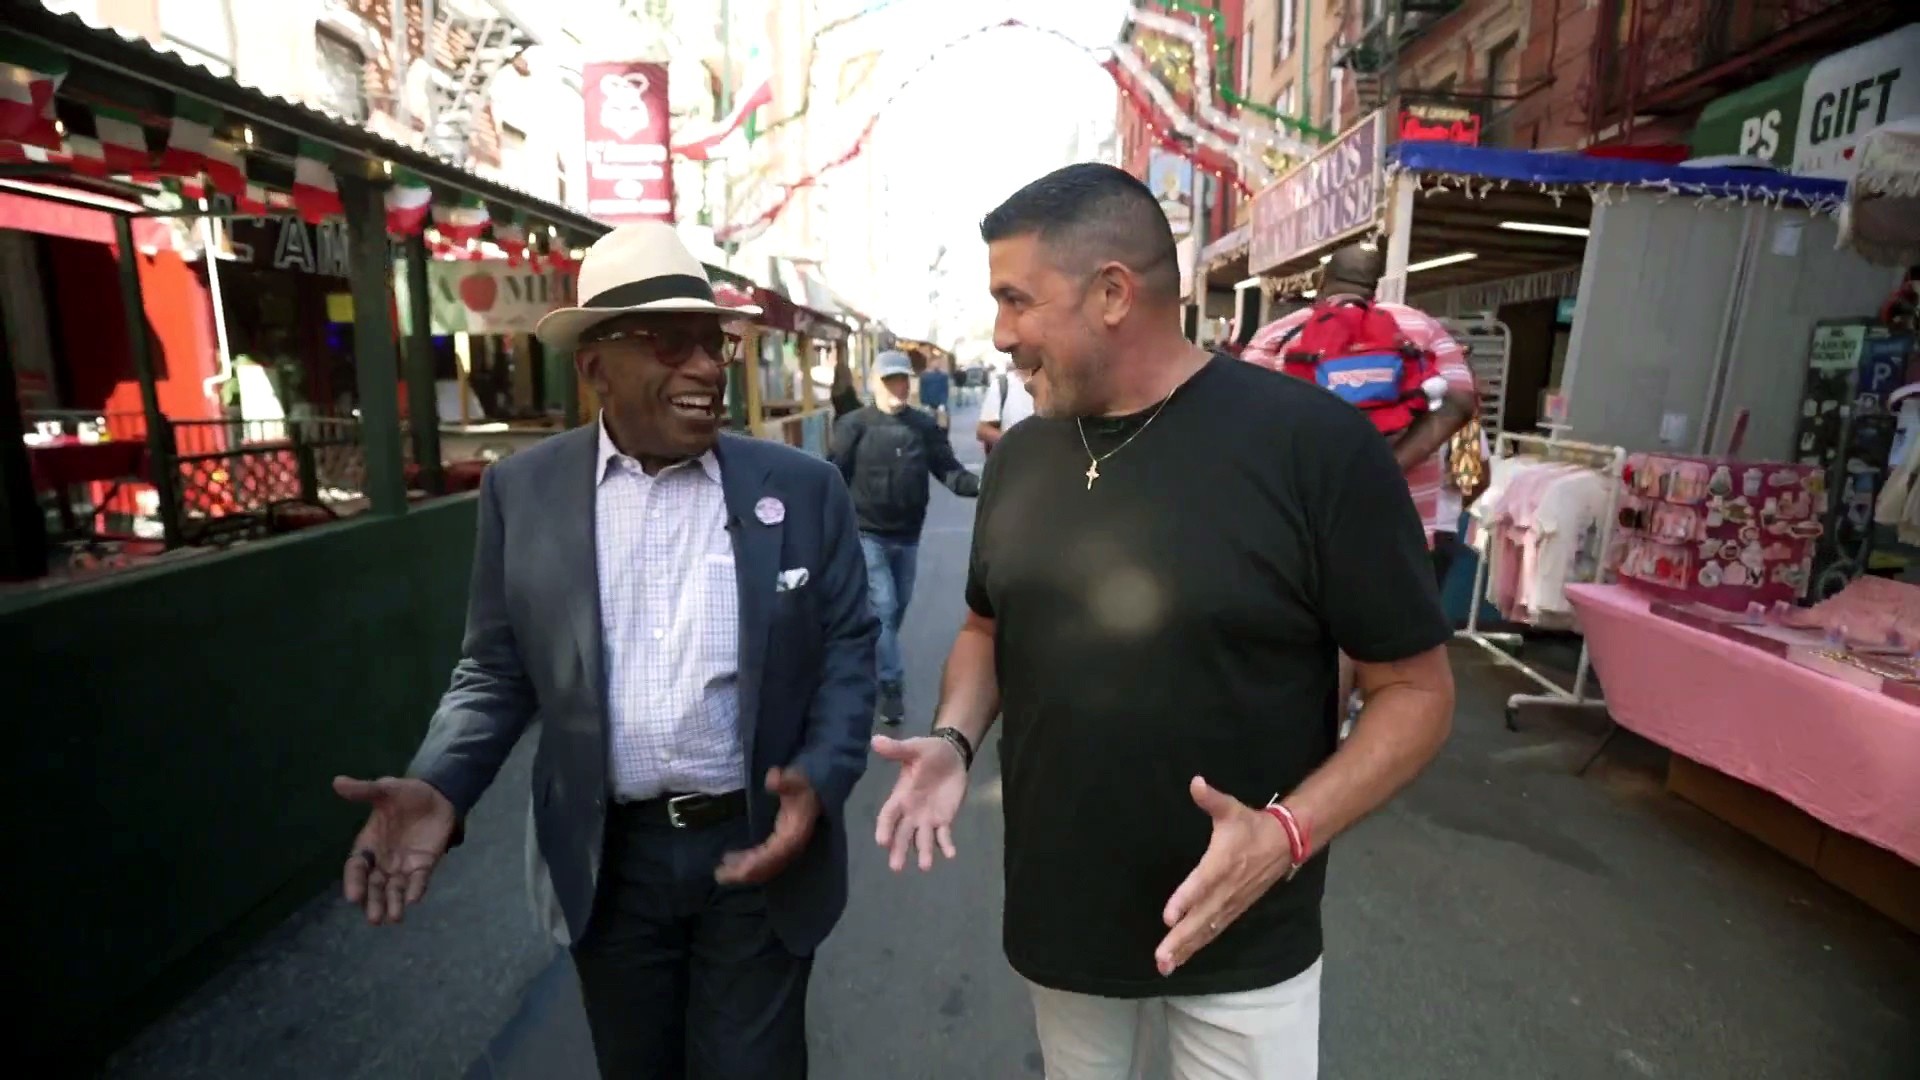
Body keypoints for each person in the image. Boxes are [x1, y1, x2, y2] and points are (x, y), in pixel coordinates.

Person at [870, 163, 1455, 1080]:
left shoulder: (1315, 448)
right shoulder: (1020, 458)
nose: (1000, 335)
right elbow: (987, 627)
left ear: (1112, 292)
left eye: (1016, 300)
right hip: (1064, 920)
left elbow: (1415, 691)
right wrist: (953, 737)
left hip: (1247, 931)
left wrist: (1287, 835)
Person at [332, 222, 877, 1080]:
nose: (705, 367)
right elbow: (496, 668)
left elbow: (850, 646)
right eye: (671, 343)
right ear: (595, 367)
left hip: (757, 850)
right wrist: (442, 781)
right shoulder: (524, 492)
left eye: (714, 342)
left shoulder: (802, 490)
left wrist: (824, 770)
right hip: (606, 863)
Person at [1243, 242, 1479, 565]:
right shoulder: (1419, 326)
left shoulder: (1277, 335)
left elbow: (1248, 418)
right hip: (1401, 528)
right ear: (1375, 285)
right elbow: (1461, 402)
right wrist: (1387, 468)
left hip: (1306, 529)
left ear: (1321, 281)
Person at [831, 349, 981, 725]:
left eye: (902, 380)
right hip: (867, 535)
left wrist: (986, 486)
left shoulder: (923, 426)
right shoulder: (854, 425)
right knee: (883, 607)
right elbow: (832, 475)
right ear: (874, 385)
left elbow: (949, 470)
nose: (897, 387)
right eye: (889, 380)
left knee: (893, 614)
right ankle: (891, 686)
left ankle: (867, 658)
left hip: (909, 536)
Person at [975, 358, 1035, 454]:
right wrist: (1016, 443)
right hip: (1015, 462)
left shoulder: (1056, 384)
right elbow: (982, 430)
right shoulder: (1003, 384)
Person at [916, 351, 952, 430]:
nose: (937, 364)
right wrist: (924, 403)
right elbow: (922, 391)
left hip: (940, 405)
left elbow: (945, 390)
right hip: (929, 405)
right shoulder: (924, 376)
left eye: (938, 362)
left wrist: (943, 403)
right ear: (930, 363)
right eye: (935, 362)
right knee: (928, 425)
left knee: (943, 425)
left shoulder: (943, 376)